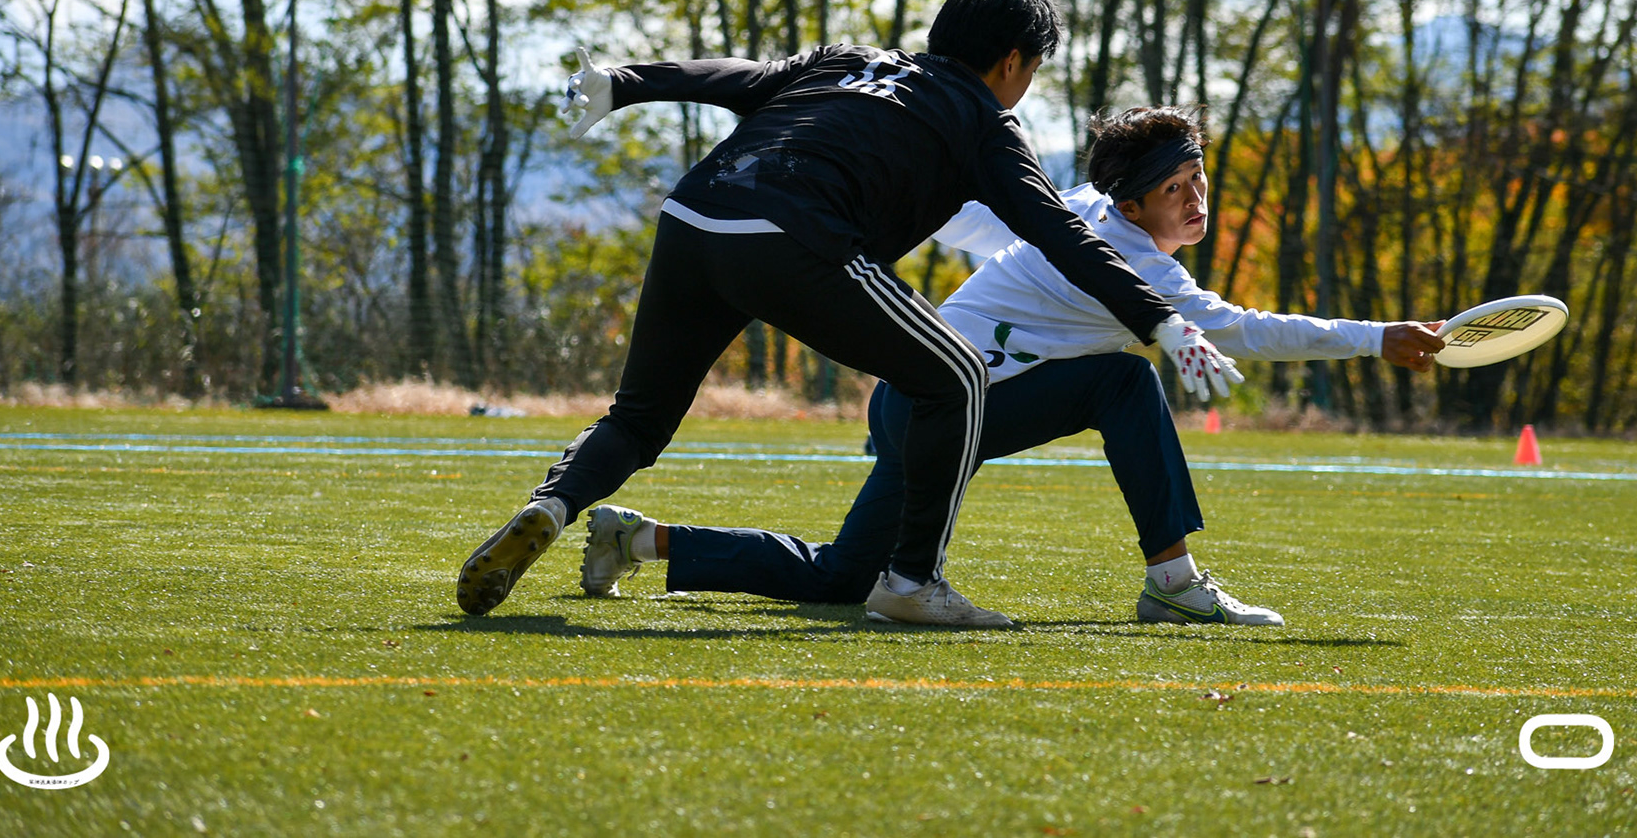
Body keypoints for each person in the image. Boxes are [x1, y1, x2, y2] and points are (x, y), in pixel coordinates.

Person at [456, 0, 1241, 628]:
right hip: (790, 236)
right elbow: (1062, 234)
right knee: (958, 375)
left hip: (694, 216)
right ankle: (914, 583)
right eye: (1032, 69)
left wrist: (626, 83)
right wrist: (1160, 319)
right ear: (1012, 62)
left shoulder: (848, 60)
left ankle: (552, 506)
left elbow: (738, 79)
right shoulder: (985, 123)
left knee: (637, 418)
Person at [576, 106, 1446, 626]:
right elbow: (1241, 330)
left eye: (1199, 179)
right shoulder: (1129, 257)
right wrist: (1375, 337)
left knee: (845, 579)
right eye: (1176, 187)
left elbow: (974, 222)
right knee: (1124, 381)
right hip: (943, 405)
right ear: (1130, 201)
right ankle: (1174, 583)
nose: (1197, 199)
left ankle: (638, 538)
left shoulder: (1082, 210)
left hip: (916, 402)